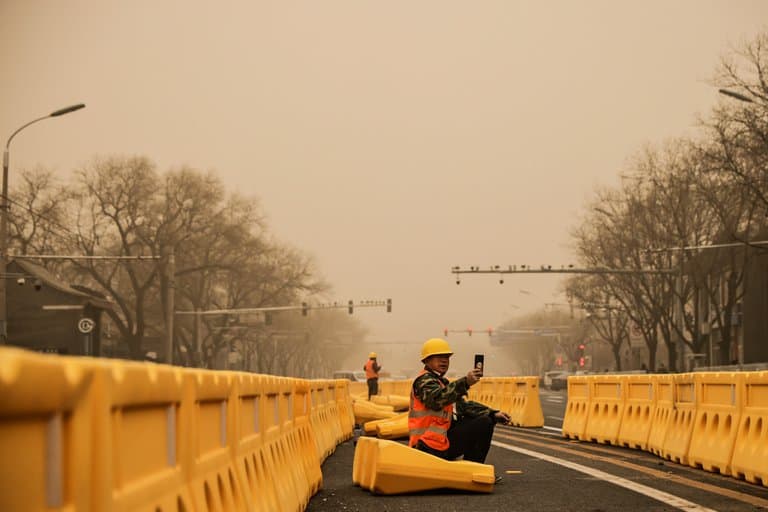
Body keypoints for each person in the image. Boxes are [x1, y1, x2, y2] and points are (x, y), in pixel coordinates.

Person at [408, 338, 511, 469]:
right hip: (425, 446)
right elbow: (436, 400)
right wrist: (465, 382)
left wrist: (493, 413)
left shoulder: (440, 382)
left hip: (438, 442)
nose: (444, 360)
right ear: (426, 360)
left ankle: (471, 469)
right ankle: (473, 470)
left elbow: (463, 406)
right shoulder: (424, 381)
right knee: (484, 423)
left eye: (446, 357)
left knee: (484, 420)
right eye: (439, 357)